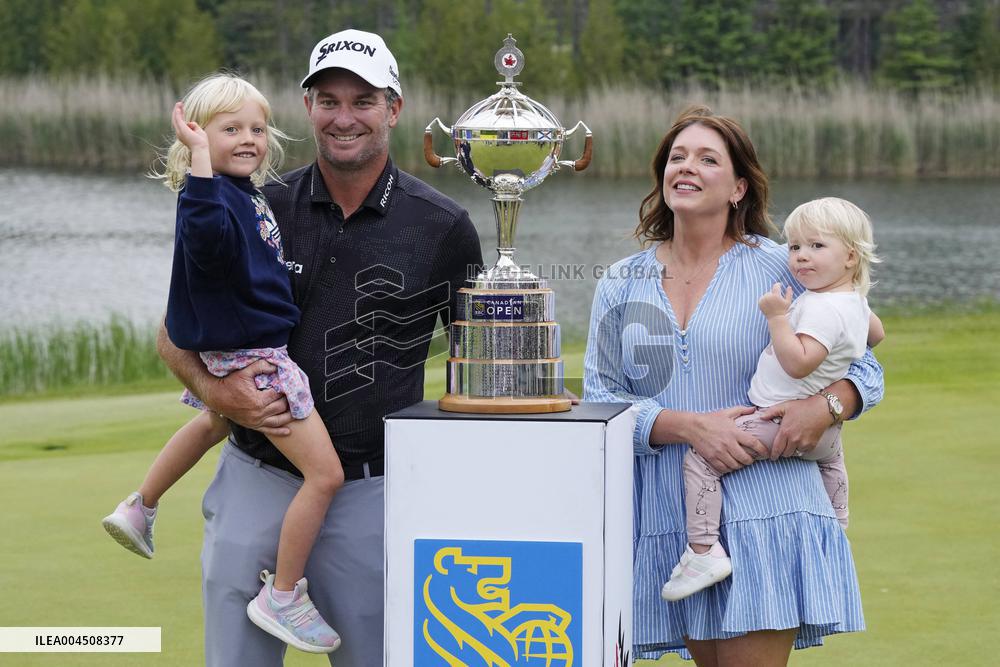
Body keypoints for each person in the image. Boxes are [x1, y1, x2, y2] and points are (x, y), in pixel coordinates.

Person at [156, 29, 483, 667]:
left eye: (363, 100)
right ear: (307, 107)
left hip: (371, 492)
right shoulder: (255, 202)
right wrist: (222, 395)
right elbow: (174, 333)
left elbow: (471, 373)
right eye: (327, 99)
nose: (344, 117)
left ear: (394, 108)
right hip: (256, 478)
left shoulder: (442, 225)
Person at [583, 106, 884, 665]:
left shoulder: (785, 267)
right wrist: (687, 428)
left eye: (706, 158)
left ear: (739, 186)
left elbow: (864, 365)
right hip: (676, 520)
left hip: (768, 506)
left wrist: (823, 408)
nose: (686, 167)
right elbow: (601, 398)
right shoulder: (621, 282)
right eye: (676, 157)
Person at [102, 72, 343, 653]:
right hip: (257, 355)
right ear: (197, 137)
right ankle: (282, 595)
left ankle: (141, 505)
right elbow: (206, 241)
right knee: (325, 474)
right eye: (228, 129)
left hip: (239, 346)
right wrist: (202, 164)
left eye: (257, 129)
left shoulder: (245, 193)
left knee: (214, 422)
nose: (247, 138)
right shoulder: (207, 196)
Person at [661, 197, 886, 602]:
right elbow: (877, 335)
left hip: (776, 419)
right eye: (796, 246)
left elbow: (799, 363)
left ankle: (703, 551)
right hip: (825, 436)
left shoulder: (822, 308)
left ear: (850, 256)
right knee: (832, 463)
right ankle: (836, 525)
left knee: (699, 460)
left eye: (816, 247)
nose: (800, 257)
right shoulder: (854, 301)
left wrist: (777, 317)